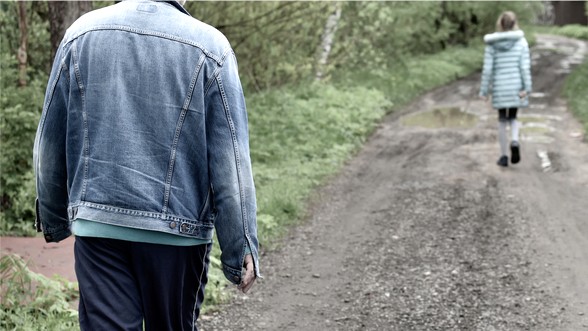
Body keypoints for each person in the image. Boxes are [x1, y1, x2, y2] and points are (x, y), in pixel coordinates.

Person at [33, 0, 260, 329]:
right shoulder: (211, 47)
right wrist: (240, 246)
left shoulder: (80, 34)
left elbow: (49, 143)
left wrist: (55, 218)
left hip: (100, 226)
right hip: (177, 234)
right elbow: (231, 161)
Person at [479, 11, 532, 167]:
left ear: (500, 24)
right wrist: (527, 87)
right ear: (515, 23)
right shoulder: (521, 42)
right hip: (516, 86)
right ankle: (515, 141)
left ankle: (503, 157)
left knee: (502, 119)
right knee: (513, 117)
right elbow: (524, 67)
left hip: (500, 87)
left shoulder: (492, 44)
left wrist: (484, 91)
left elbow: (487, 69)